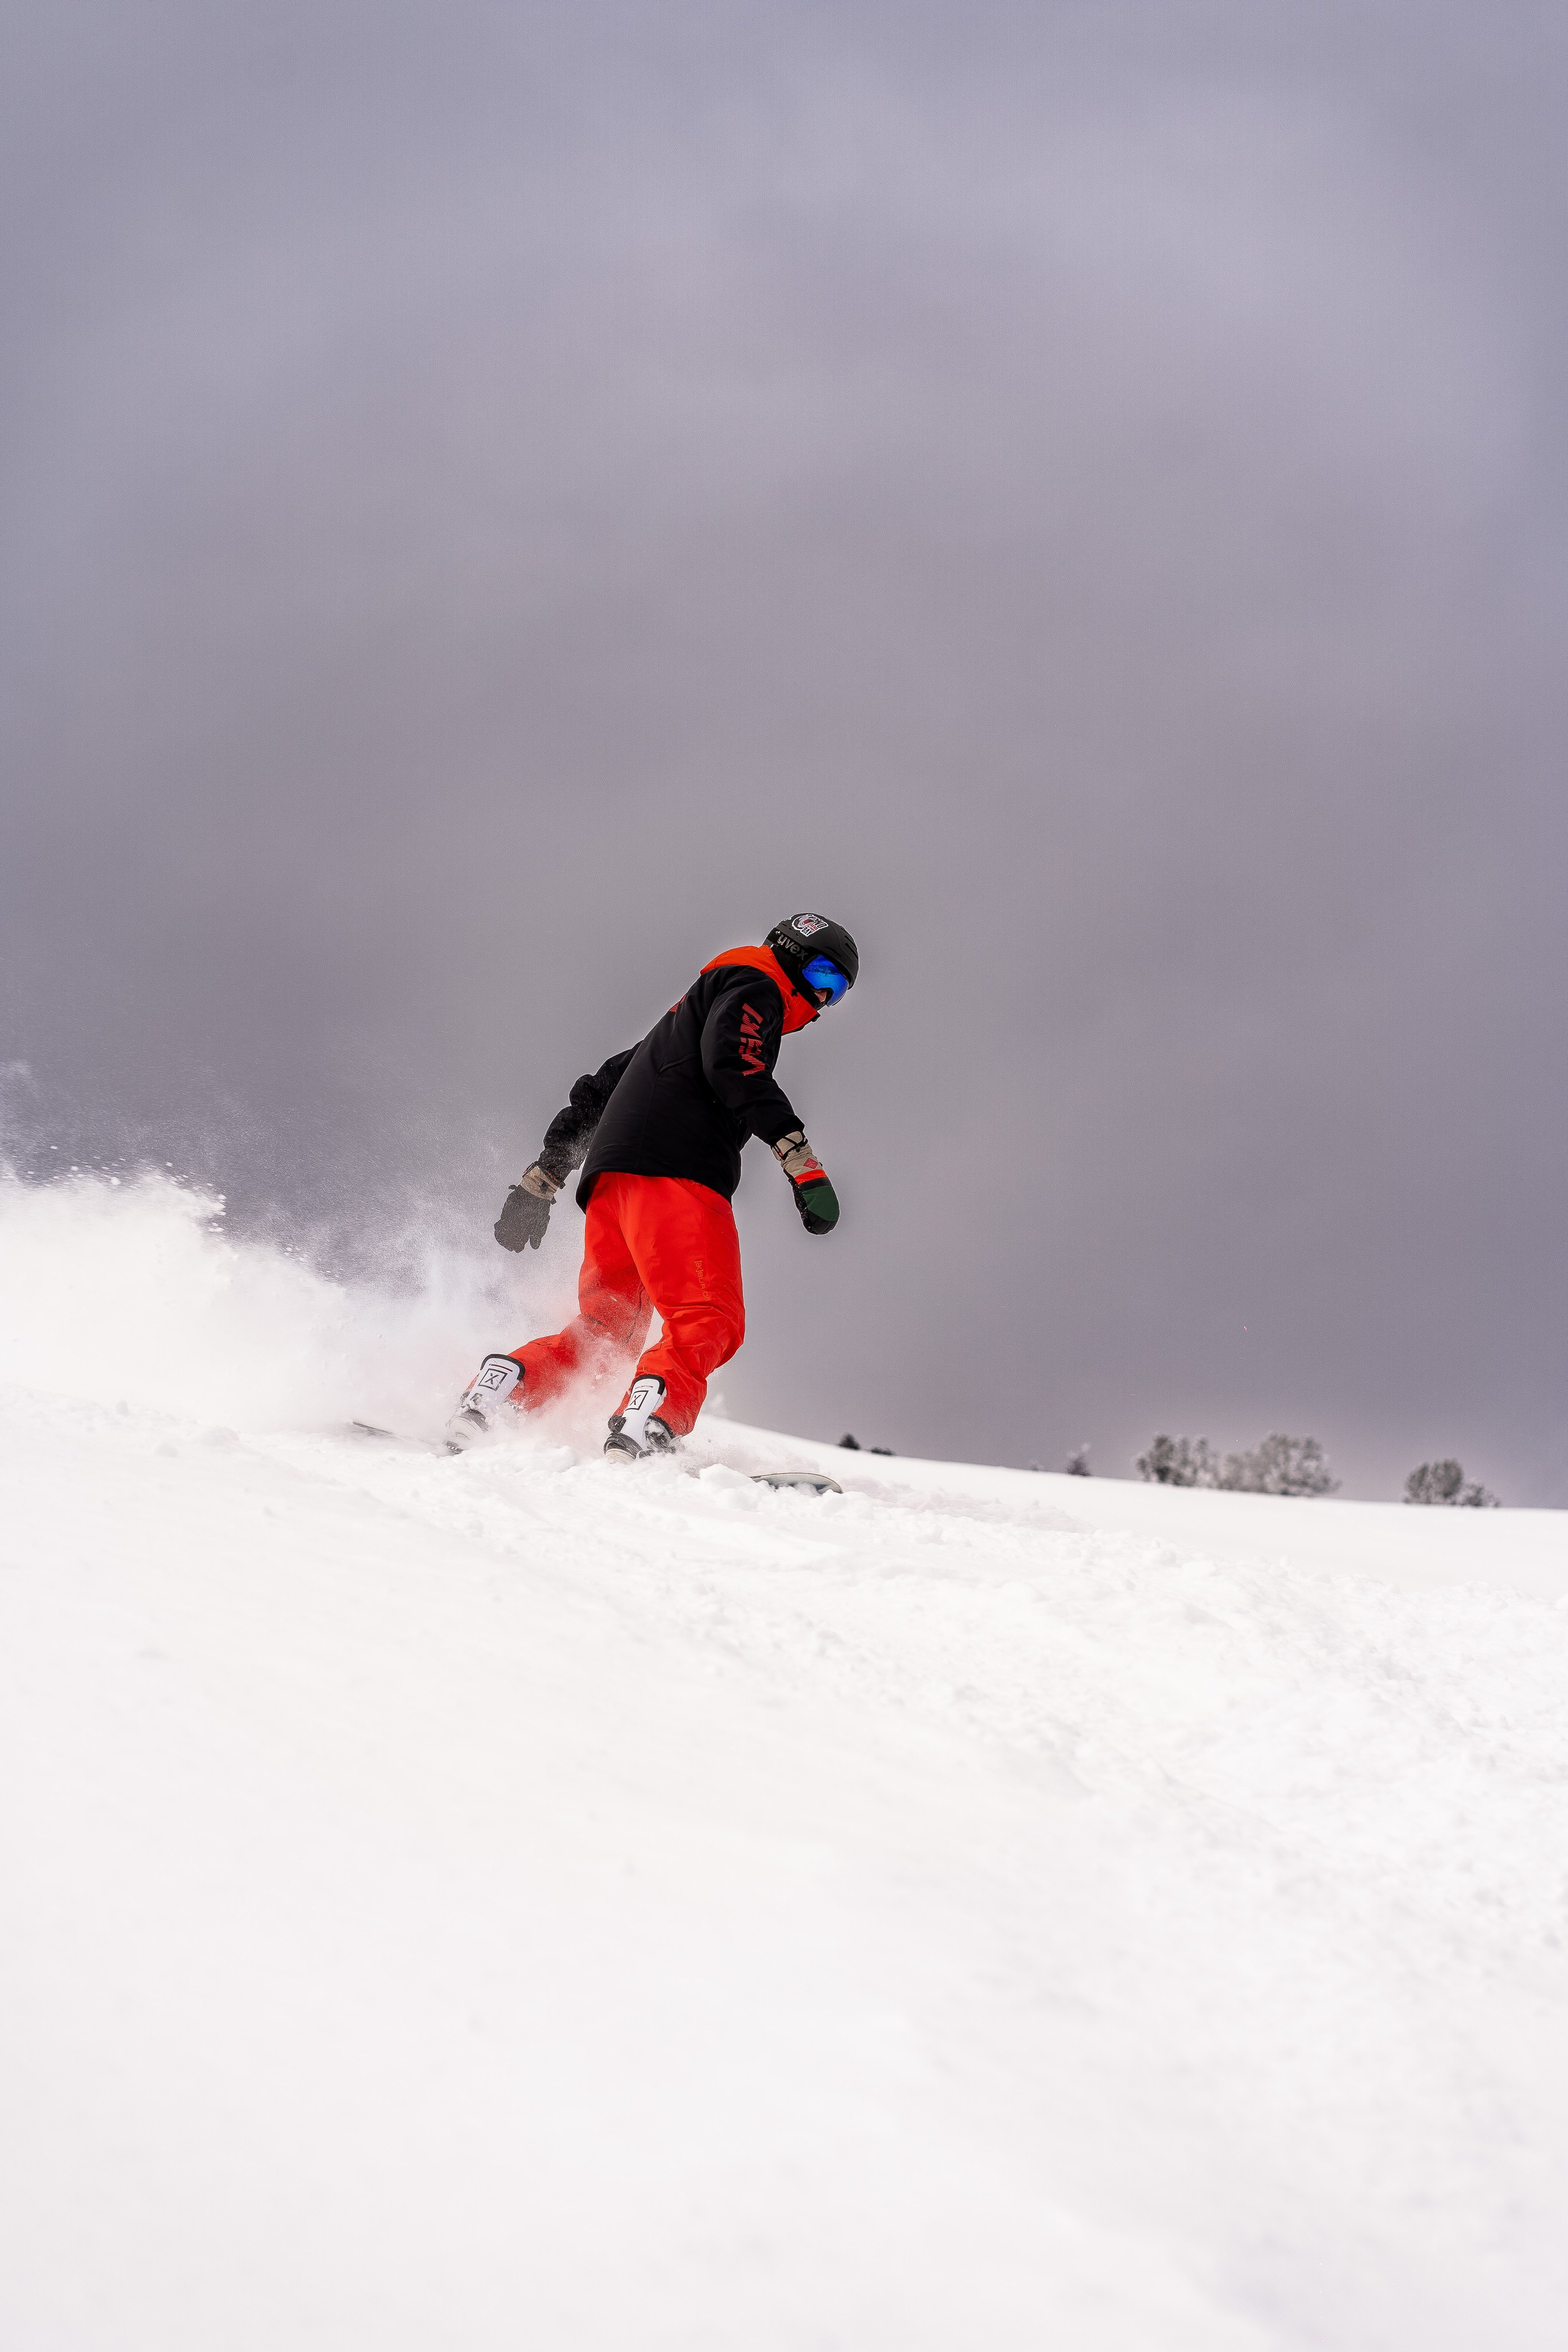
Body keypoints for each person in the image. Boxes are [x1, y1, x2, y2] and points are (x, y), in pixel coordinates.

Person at [445, 913, 859, 1459]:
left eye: (836, 995)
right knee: (709, 1316)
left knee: (607, 1330)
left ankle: (500, 1392)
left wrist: (543, 1179)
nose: (821, 1001)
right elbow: (737, 1063)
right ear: (792, 956)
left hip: (614, 1182)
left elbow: (602, 1087)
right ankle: (652, 1424)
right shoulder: (757, 984)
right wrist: (802, 1163)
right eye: (825, 980)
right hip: (678, 1173)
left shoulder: (687, 1012)